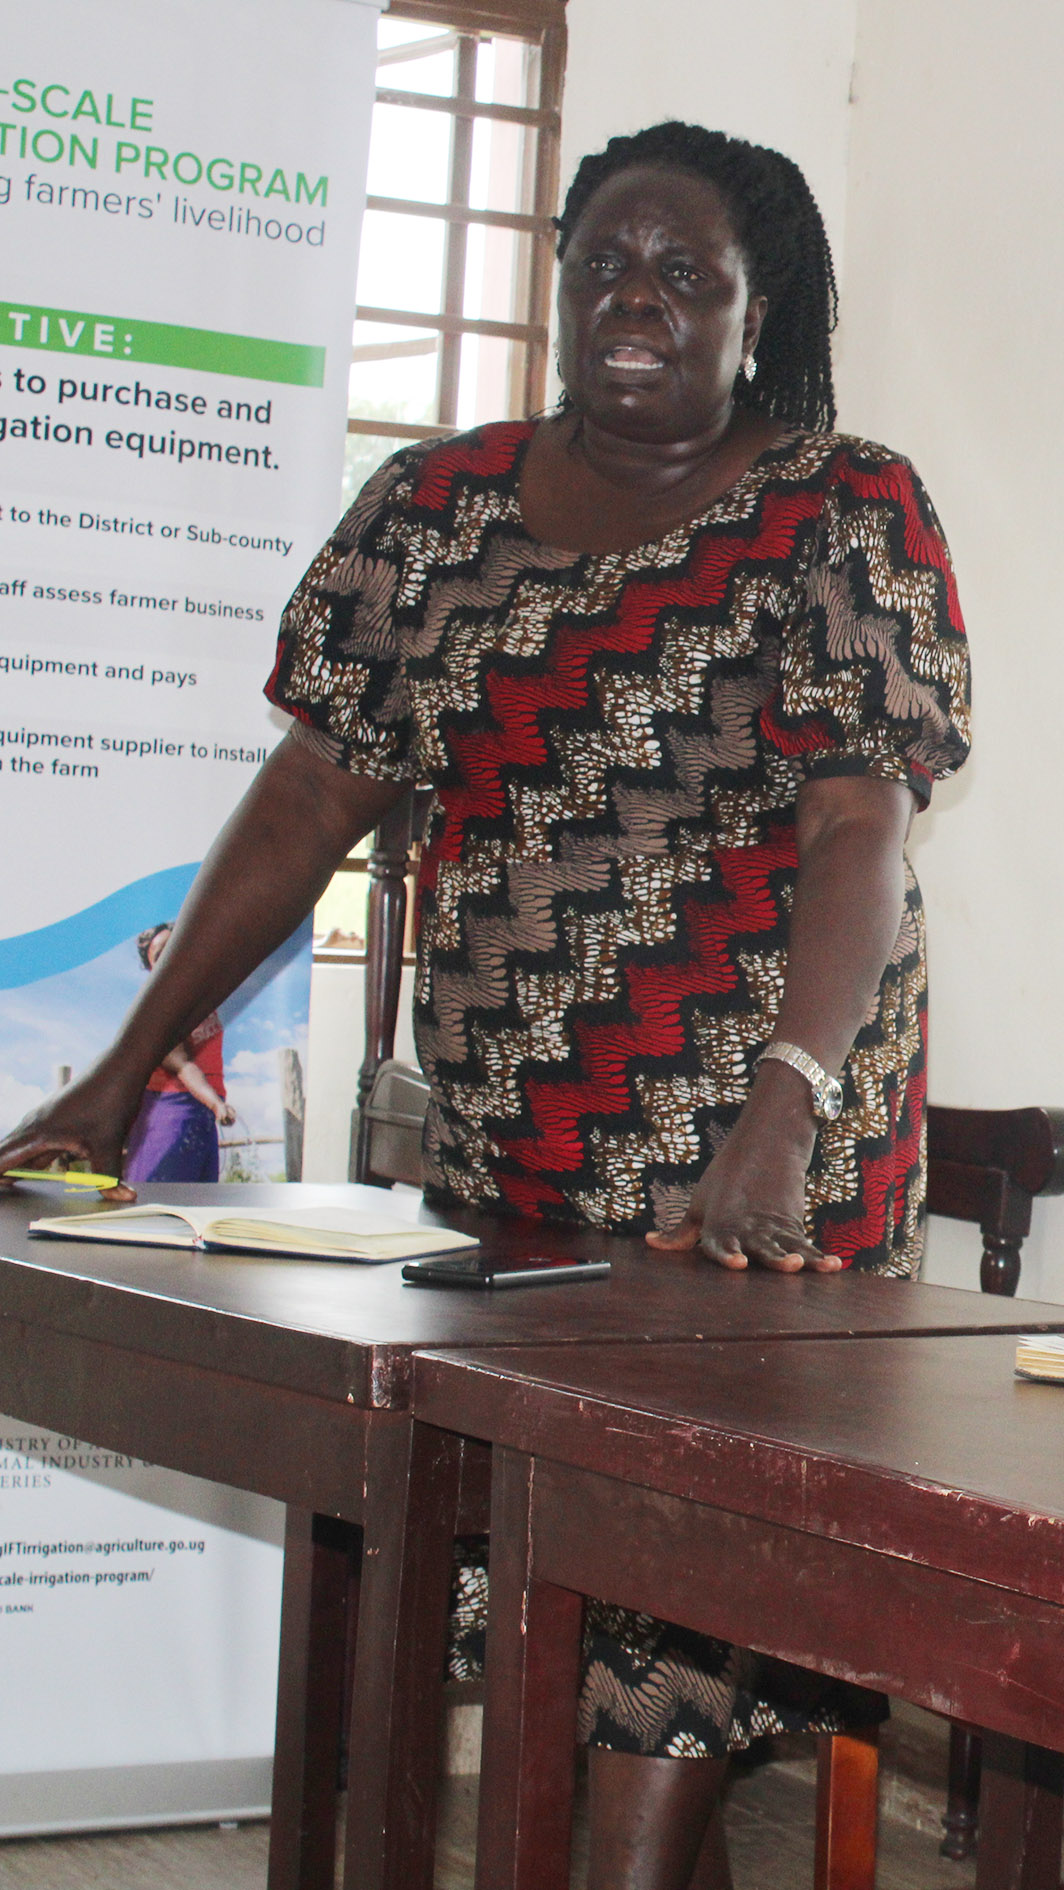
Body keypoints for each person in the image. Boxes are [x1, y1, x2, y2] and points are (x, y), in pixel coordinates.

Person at [0, 122, 969, 1890]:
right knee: (514, 1573)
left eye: (688, 274)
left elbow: (861, 829)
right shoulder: (432, 510)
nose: (638, 300)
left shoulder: (846, 508)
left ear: (763, 313)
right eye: (604, 262)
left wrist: (786, 1110)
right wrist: (116, 1073)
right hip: (513, 1152)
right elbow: (305, 809)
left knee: (668, 1608)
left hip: (754, 1160)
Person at [121, 923, 236, 1185]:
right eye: (162, 953)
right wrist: (216, 1104)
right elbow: (183, 1065)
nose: (173, 955)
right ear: (152, 968)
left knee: (198, 1210)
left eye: (178, 946)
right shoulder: (156, 1006)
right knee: (158, 1211)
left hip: (202, 1117)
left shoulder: (198, 996)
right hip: (170, 1116)